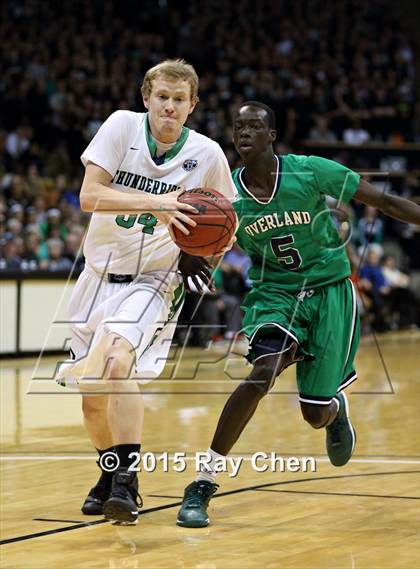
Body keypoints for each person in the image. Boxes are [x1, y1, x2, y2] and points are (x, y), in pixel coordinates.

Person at [176, 101, 420, 528]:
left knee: (314, 413)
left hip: (329, 292)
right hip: (276, 295)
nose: (244, 133)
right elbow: (202, 238)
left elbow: (380, 198)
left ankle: (335, 410)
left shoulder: (309, 170)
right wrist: (188, 254)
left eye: (255, 126)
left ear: (272, 136)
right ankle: (203, 481)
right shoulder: (228, 196)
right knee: (261, 373)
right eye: (239, 127)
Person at [56, 59, 236, 525]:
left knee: (118, 362)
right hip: (96, 276)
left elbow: (226, 227)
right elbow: (90, 197)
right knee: (91, 396)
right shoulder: (120, 128)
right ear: (146, 98)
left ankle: (127, 483)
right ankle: (108, 473)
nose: (170, 107)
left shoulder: (208, 155)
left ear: (192, 105)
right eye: (162, 97)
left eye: (180, 100)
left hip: (154, 280)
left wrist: (204, 256)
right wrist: (157, 201)